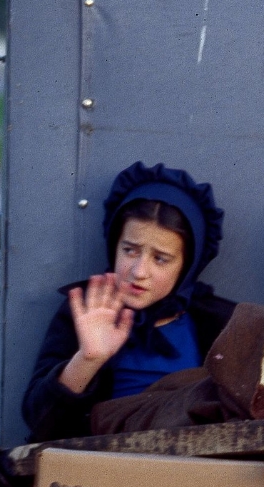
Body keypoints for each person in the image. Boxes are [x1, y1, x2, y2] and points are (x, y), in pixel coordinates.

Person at [21, 161, 236, 441]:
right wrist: (87, 359)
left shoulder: (219, 323)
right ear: (114, 246)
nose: (139, 272)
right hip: (98, 473)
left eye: (160, 259)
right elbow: (37, 420)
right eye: (130, 250)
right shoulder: (87, 310)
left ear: (186, 266)